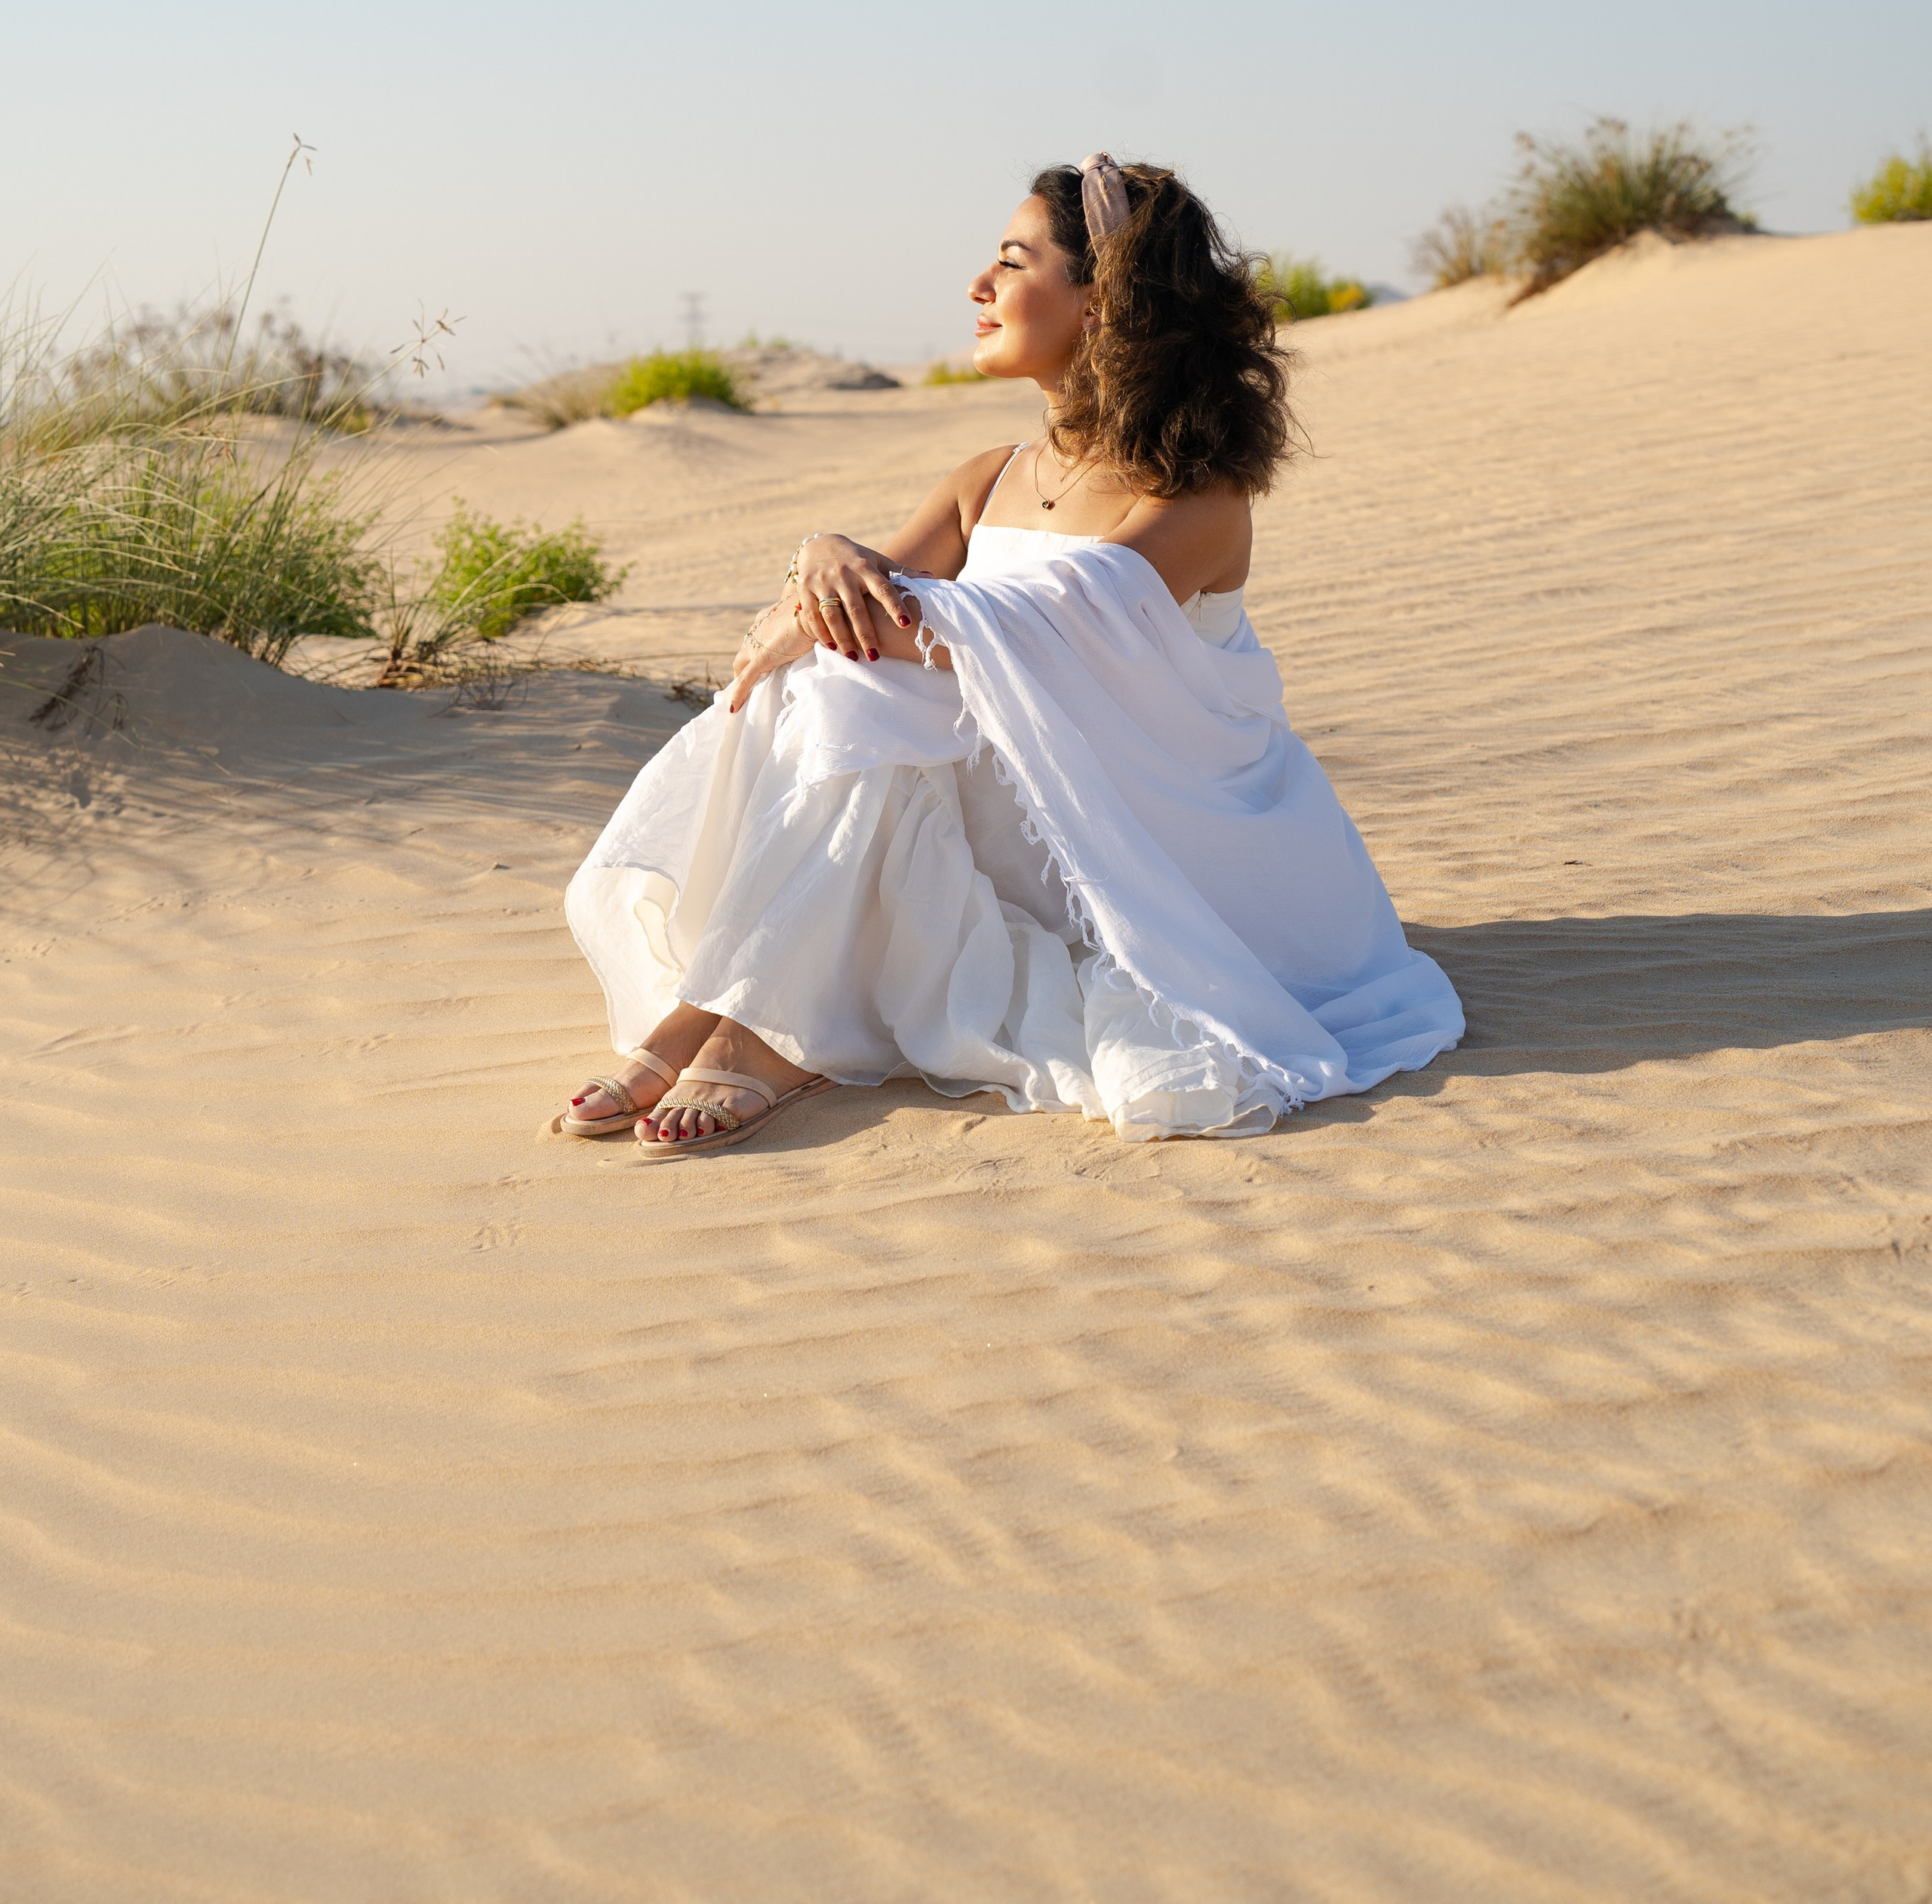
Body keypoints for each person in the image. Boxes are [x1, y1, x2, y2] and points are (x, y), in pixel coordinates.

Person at [556, 155, 1462, 1158]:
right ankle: (728, 1004)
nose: (977, 288)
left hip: (1158, 839)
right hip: (1012, 813)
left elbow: (1045, 635)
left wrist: (834, 589)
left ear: (1103, 300)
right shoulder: (986, 479)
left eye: (1013, 262)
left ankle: (754, 1023)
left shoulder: (1196, 499)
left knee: (867, 683)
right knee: (849, 679)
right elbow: (864, 612)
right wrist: (818, 562)